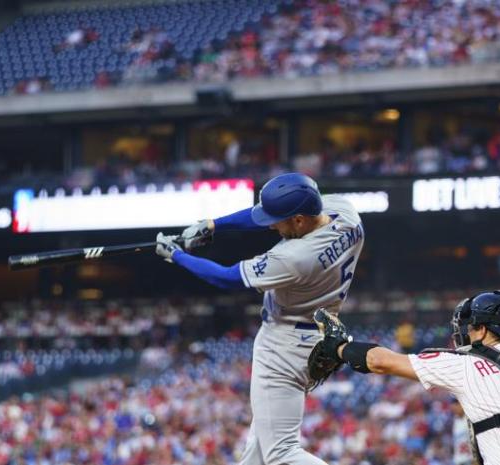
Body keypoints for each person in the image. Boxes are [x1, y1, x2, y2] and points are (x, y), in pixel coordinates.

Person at [154, 172, 364, 465]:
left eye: (277, 220)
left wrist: (177, 256)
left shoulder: (296, 257)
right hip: (315, 335)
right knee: (260, 445)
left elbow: (227, 279)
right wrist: (215, 224)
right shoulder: (345, 213)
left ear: (300, 220)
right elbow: (260, 216)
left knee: (280, 452)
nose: (271, 226)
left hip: (285, 343)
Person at [310, 290, 500, 465]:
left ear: (482, 330)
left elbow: (380, 361)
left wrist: (339, 346)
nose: (464, 333)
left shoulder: (465, 364)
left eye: (469, 327)